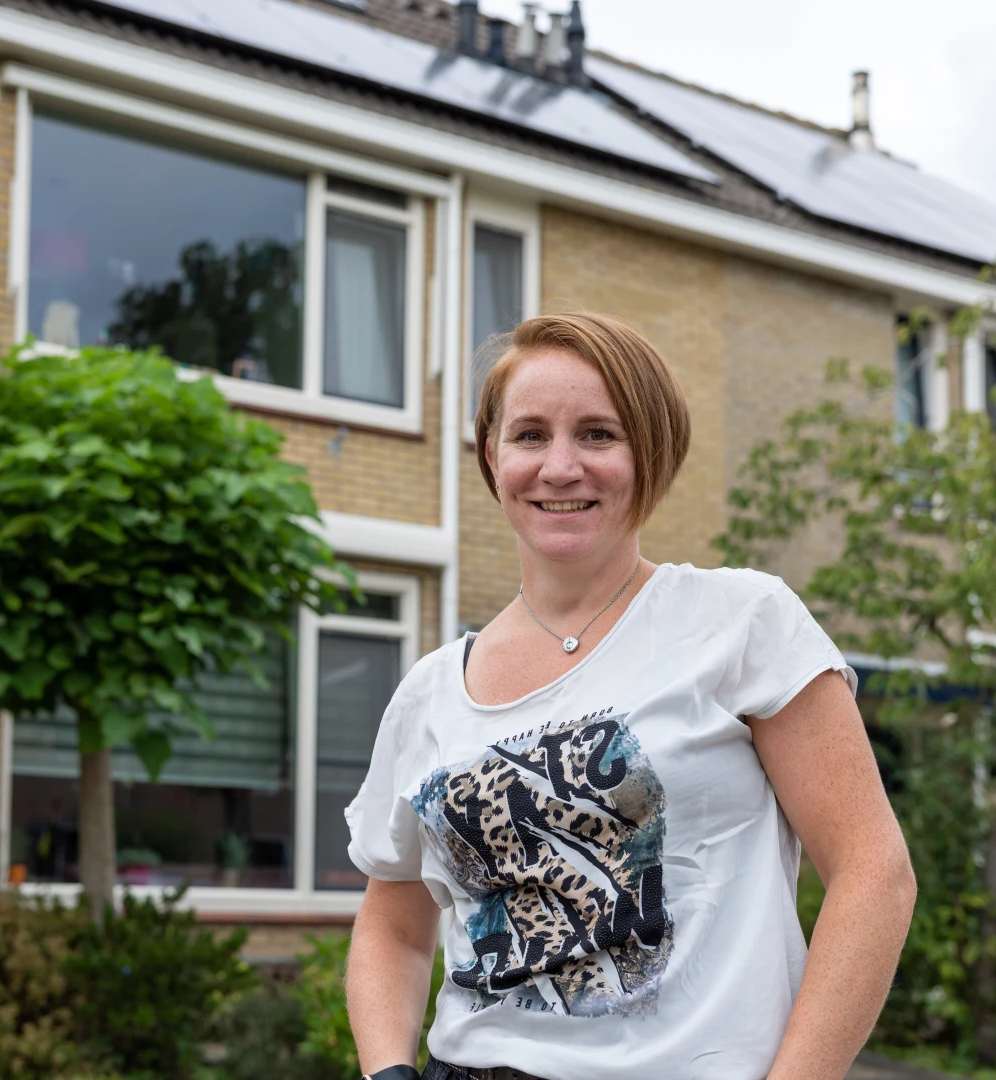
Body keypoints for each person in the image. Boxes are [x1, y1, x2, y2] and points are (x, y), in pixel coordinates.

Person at [343, 312, 916, 1080]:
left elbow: (874, 874)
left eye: (598, 434)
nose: (560, 466)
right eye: (530, 435)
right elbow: (394, 925)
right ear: (492, 457)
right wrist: (388, 1072)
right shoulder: (430, 695)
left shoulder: (742, 623)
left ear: (651, 452)